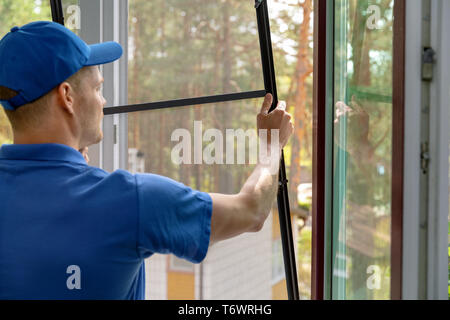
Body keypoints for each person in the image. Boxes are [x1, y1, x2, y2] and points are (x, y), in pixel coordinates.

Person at [0, 21, 294, 299]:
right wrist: (271, 146)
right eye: (98, 88)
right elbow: (251, 211)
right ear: (67, 96)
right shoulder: (129, 201)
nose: (103, 101)